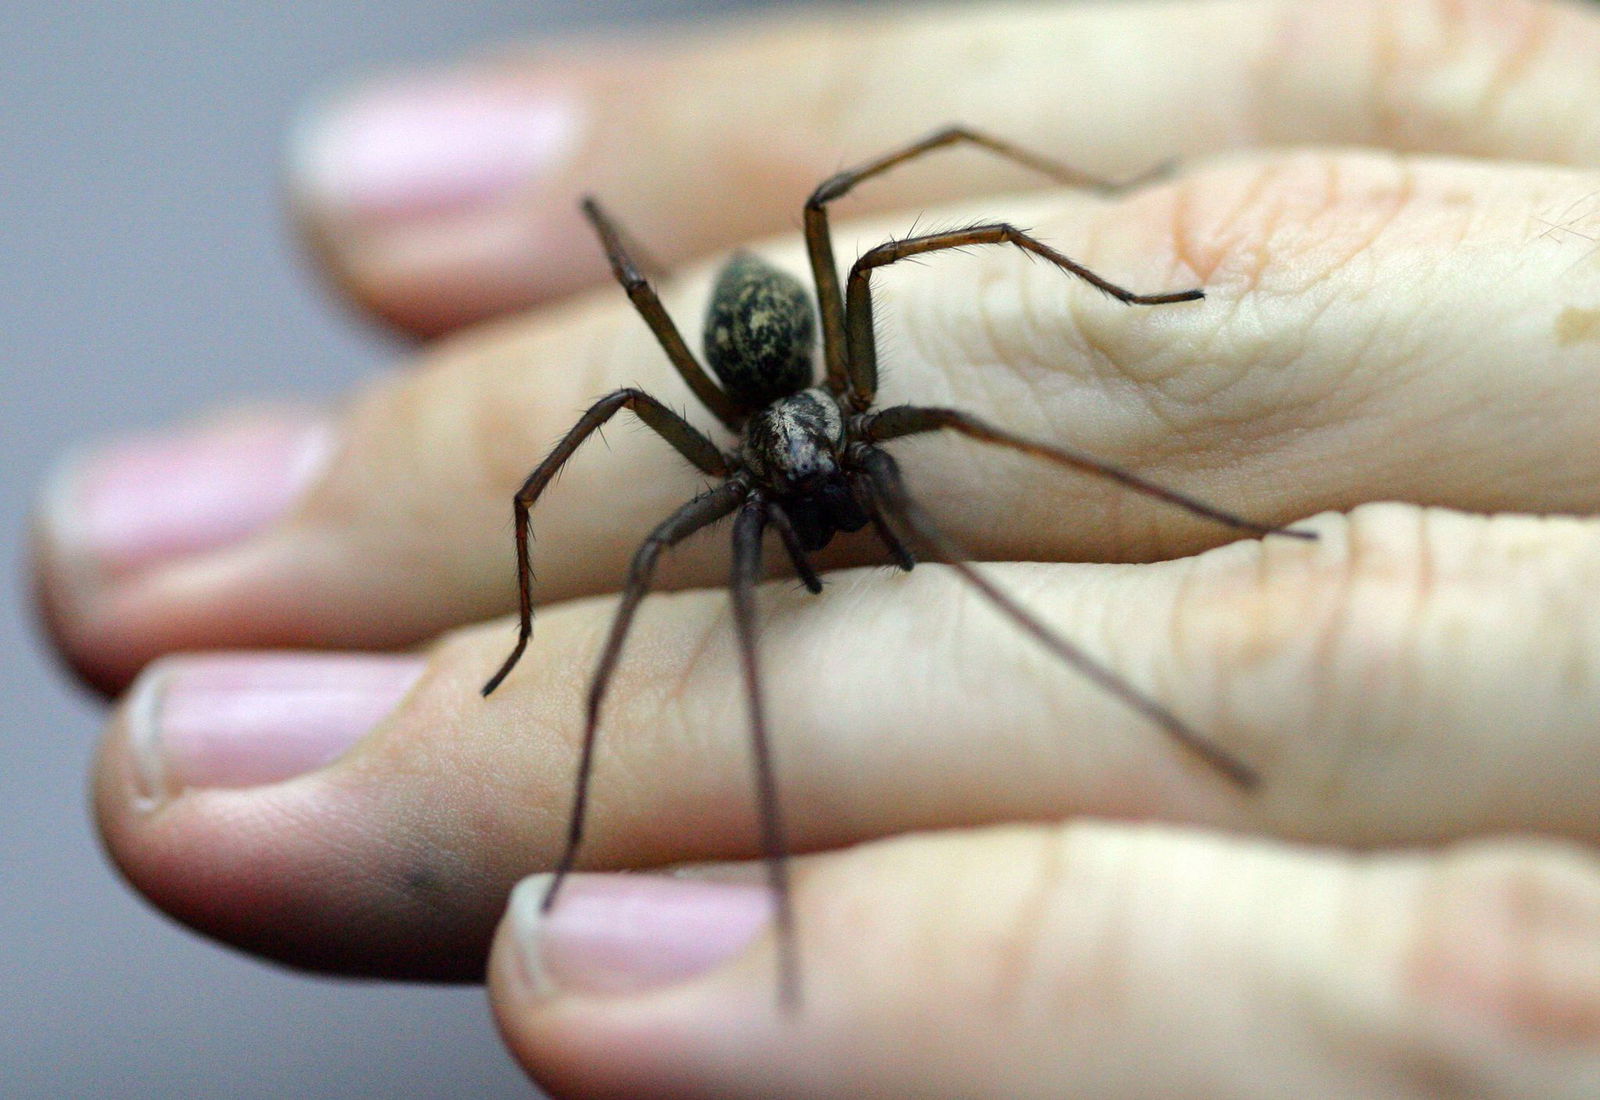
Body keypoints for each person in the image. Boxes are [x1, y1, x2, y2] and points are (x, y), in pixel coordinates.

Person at [31, 0, 1600, 1094]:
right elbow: (561, 500)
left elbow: (937, 247)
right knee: (656, 563)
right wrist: (532, 651)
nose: (823, 492)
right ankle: (726, 861)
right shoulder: (718, 465)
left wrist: (1142, 304)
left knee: (922, 308)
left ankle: (1230, 527)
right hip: (742, 373)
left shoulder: (857, 407)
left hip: (800, 364)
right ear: (760, 451)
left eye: (825, 468)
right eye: (801, 478)